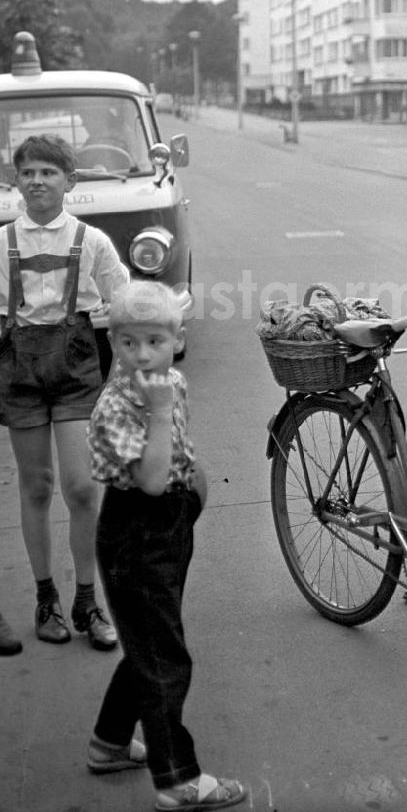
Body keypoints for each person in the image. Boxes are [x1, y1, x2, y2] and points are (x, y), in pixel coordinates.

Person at [86, 281, 246, 812]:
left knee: (149, 643)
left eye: (154, 340)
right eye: (127, 342)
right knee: (164, 658)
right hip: (135, 530)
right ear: (113, 344)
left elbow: (175, 454)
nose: (141, 353)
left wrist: (194, 487)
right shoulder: (117, 405)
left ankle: (108, 743)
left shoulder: (171, 380)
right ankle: (176, 776)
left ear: (177, 341)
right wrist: (156, 413)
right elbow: (149, 481)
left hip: (169, 521)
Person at [0, 134, 129, 651]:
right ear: (17, 182)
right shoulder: (4, 241)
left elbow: (126, 301)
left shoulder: (91, 240)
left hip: (77, 367)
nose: (37, 182)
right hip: (19, 371)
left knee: (80, 487)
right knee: (36, 487)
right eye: (28, 173)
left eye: (49, 173)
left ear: (69, 182)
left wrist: (135, 361)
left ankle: (87, 600)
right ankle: (45, 597)